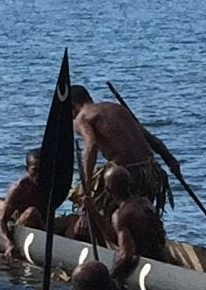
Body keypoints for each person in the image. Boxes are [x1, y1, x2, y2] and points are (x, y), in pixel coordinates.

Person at [70, 83, 170, 219]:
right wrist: (171, 161)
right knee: (144, 213)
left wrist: (86, 184)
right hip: (149, 171)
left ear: (72, 106)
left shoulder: (82, 117)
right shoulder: (118, 109)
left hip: (125, 174)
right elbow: (152, 140)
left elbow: (91, 146)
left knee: (114, 214)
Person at [100, 166, 167, 277]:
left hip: (145, 261)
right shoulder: (146, 203)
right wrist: (93, 212)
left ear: (107, 190)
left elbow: (126, 256)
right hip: (160, 256)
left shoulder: (120, 215)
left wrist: (109, 277)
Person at [0, 151, 46, 263]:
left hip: (45, 224)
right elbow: (2, 220)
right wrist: (9, 243)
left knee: (73, 219)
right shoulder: (19, 188)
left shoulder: (50, 185)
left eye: (43, 170)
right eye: (35, 170)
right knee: (32, 212)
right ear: (27, 169)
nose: (39, 175)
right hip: (24, 223)